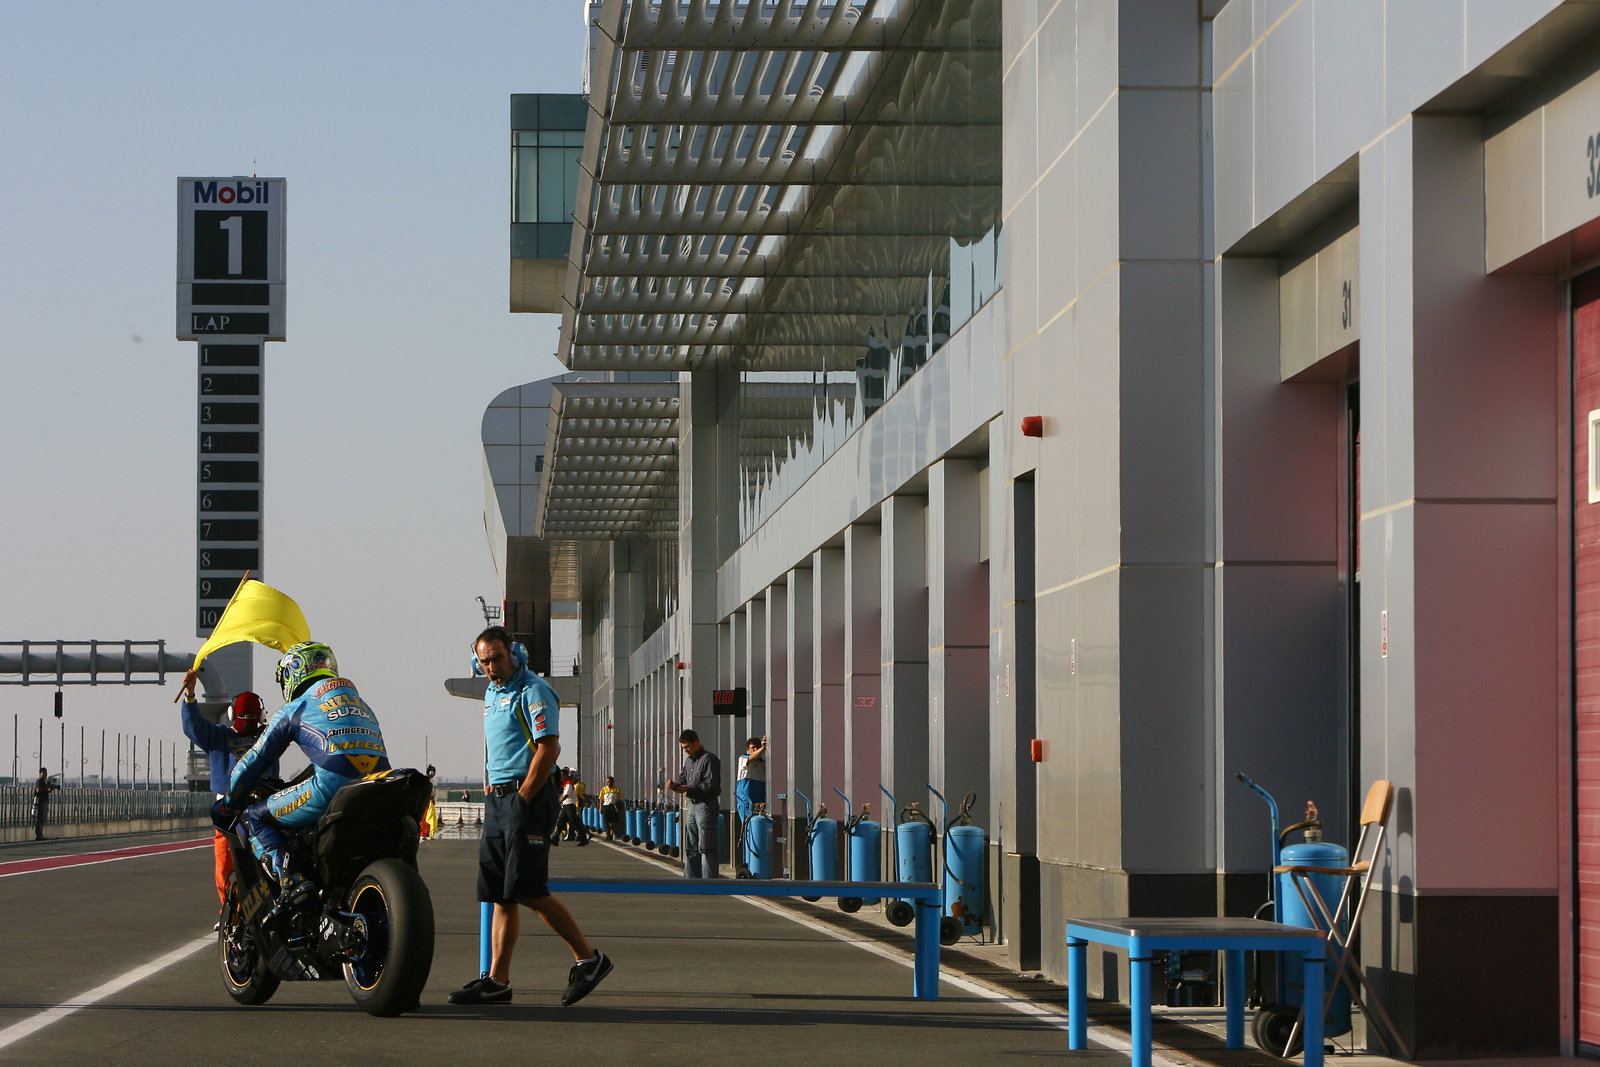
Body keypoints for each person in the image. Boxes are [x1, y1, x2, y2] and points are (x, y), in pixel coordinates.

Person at [448, 625, 613, 1007]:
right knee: (500, 895)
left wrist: (522, 796)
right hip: (500, 800)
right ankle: (497, 981)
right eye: (484, 662)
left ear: (515, 654)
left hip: (529, 798)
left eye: (498, 659)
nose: (491, 667)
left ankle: (590, 959)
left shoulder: (533, 690)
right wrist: (495, 786)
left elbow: (548, 749)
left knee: (528, 889)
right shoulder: (492, 693)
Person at [221, 641, 390, 907]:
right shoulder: (363, 705)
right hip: (378, 787)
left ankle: (292, 882)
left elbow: (254, 759)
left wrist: (230, 800)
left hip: (331, 788)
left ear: (292, 673)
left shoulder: (297, 707)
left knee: (254, 817)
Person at [180, 679, 277, 904]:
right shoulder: (270, 737)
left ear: (232, 713)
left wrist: (190, 697)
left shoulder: (219, 736)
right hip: (262, 806)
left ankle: (227, 910)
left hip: (227, 811)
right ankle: (266, 905)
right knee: (268, 855)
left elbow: (193, 725)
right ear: (262, 715)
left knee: (224, 861)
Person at [665, 728, 721, 878]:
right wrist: (676, 786)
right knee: (691, 843)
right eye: (683, 747)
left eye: (687, 746)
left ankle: (709, 880)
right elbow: (683, 779)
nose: (685, 750)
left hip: (706, 805)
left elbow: (710, 784)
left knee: (706, 845)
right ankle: (690, 878)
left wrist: (688, 788)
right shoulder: (688, 761)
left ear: (697, 743)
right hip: (692, 804)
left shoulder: (709, 759)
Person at [558, 770, 589, 844]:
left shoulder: (575, 785)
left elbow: (578, 796)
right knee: (565, 821)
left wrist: (560, 801)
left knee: (574, 822)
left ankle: (583, 834)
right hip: (570, 805)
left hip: (573, 805)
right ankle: (560, 837)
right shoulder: (571, 785)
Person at [32, 768, 57, 841]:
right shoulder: (39, 781)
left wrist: (50, 789)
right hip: (41, 802)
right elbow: (38, 790)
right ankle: (39, 835)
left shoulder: (43, 781)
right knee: (40, 819)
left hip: (44, 801)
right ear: (40, 773)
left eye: (46, 772)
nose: (46, 774)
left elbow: (44, 791)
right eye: (44, 773)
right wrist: (47, 787)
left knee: (43, 819)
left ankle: (41, 835)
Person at [599, 776, 623, 842]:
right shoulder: (604, 789)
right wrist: (600, 808)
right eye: (608, 782)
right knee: (606, 821)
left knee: (613, 822)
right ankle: (608, 834)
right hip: (606, 806)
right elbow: (601, 800)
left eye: (610, 782)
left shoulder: (616, 789)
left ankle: (613, 834)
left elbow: (619, 799)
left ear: (613, 782)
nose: (609, 783)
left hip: (613, 806)